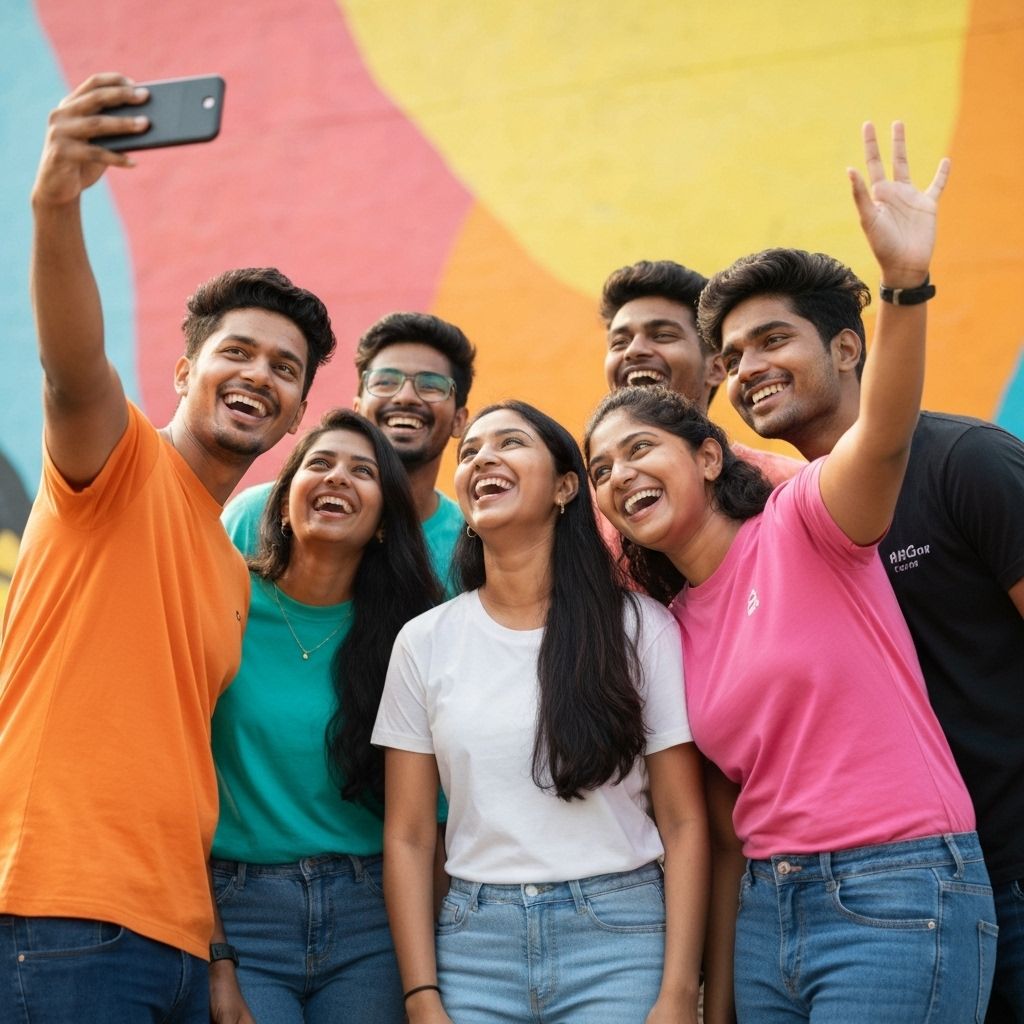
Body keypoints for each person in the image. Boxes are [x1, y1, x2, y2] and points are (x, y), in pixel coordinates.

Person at [586, 123, 998, 1022]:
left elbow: (884, 433)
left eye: (641, 449)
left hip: (895, 887)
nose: (619, 477)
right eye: (601, 470)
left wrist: (904, 285)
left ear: (706, 455)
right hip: (772, 914)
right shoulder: (670, 621)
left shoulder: (808, 520)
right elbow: (727, 820)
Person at [0, 73, 335, 1022]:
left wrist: (216, 955)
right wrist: (55, 199)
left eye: (285, 369)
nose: (257, 375)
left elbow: (182, 769)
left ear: (298, 411)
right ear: (186, 369)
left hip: (179, 942)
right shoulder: (118, 462)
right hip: (58, 918)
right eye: (237, 352)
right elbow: (70, 368)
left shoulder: (231, 564)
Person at [699, 213, 1024, 1023]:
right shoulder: (782, 526)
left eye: (774, 341)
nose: (749, 370)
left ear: (848, 347)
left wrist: (905, 281)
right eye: (733, 358)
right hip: (904, 892)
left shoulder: (965, 462)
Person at [373, 400, 709, 1024]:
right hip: (474, 950)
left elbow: (685, 822)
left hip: (620, 941)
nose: (482, 459)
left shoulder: (640, 628)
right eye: (469, 450)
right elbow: (411, 835)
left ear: (564, 488)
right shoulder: (423, 642)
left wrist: (678, 992)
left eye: (509, 443)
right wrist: (422, 996)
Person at [207, 409, 441, 1023]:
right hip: (238, 908)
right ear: (281, 505)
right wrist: (215, 954)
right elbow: (175, 784)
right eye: (319, 464)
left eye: (362, 471)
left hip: (372, 915)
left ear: (386, 521)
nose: (337, 478)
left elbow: (428, 819)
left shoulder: (413, 635)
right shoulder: (219, 598)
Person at [224, 311, 475, 594]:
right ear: (357, 409)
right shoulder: (251, 516)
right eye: (385, 382)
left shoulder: (471, 545)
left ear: (459, 420)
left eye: (431, 386)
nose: (405, 397)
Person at [600, 259, 802, 486]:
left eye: (662, 335)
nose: (633, 350)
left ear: (716, 368)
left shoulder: (785, 485)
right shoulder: (576, 500)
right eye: (619, 342)